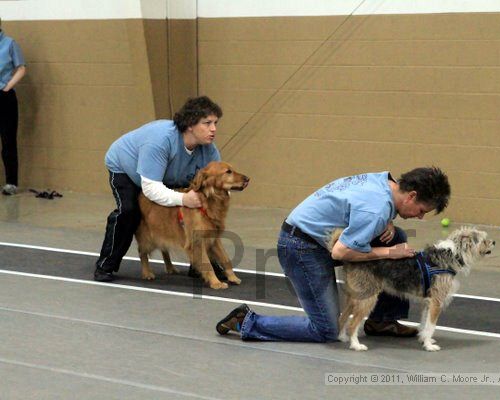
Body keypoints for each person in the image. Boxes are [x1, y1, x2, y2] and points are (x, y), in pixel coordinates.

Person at [216, 167, 451, 342]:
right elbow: (342, 252)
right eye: (421, 211)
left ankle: (382, 320)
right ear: (410, 195)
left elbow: (361, 205)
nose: (420, 217)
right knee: (326, 330)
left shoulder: (386, 181)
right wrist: (389, 251)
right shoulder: (375, 209)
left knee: (396, 235)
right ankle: (248, 321)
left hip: (316, 236)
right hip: (301, 247)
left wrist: (389, 223)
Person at [94, 96, 223, 282]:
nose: (213, 129)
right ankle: (106, 264)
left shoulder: (209, 149)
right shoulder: (161, 141)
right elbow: (151, 189)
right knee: (129, 212)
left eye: (215, 123)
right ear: (189, 125)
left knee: (200, 214)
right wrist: (184, 199)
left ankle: (199, 265)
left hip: (168, 175)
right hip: (127, 169)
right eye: (207, 123)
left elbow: (217, 185)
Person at [0, 22, 26, 196]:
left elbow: (21, 68)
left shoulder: (9, 43)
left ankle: (11, 182)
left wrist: (8, 86)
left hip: (4, 96)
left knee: (8, 140)